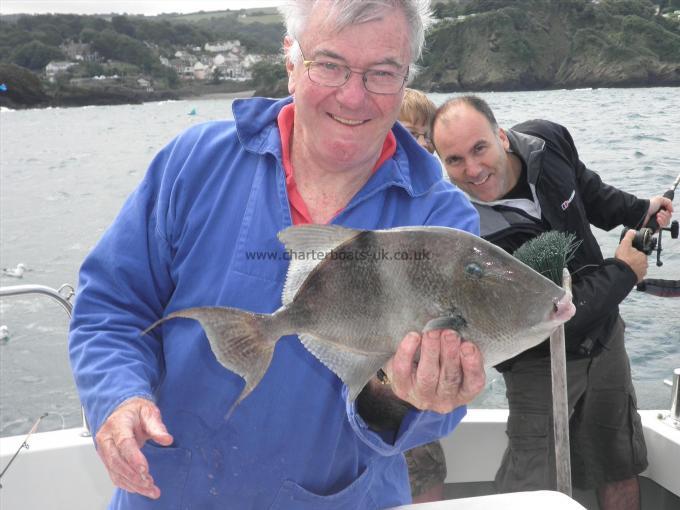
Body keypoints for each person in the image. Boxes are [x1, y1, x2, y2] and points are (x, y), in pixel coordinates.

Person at [68, 2, 486, 509]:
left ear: (405, 82)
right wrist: (118, 396)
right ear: (291, 63)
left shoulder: (443, 223)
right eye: (329, 65)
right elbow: (112, 306)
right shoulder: (194, 163)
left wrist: (405, 396)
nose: (353, 96)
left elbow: (429, 406)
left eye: (381, 73)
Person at [431, 95, 674, 510]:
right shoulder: (465, 235)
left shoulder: (548, 140)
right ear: (441, 164)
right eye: (454, 160)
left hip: (605, 344)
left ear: (502, 136)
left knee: (618, 466)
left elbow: (587, 188)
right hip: (534, 363)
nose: (472, 170)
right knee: (529, 487)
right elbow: (551, 315)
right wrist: (624, 272)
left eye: (479, 148)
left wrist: (639, 210)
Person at [397, 87, 448, 503]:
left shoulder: (435, 202)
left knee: (426, 468)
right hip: (387, 364)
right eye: (410, 133)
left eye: (426, 137)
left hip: (419, 368)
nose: (422, 145)